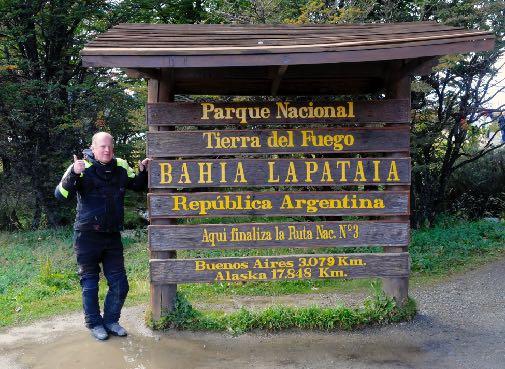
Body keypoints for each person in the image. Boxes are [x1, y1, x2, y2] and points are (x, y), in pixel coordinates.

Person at [55, 132, 150, 341]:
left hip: (112, 236)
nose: (106, 150)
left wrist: (143, 170)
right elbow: (60, 195)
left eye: (109, 146)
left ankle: (111, 320)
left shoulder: (121, 166)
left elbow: (137, 185)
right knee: (90, 284)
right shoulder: (81, 167)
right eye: (102, 146)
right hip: (86, 236)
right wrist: (73, 173)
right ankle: (95, 324)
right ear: (93, 147)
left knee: (120, 283)